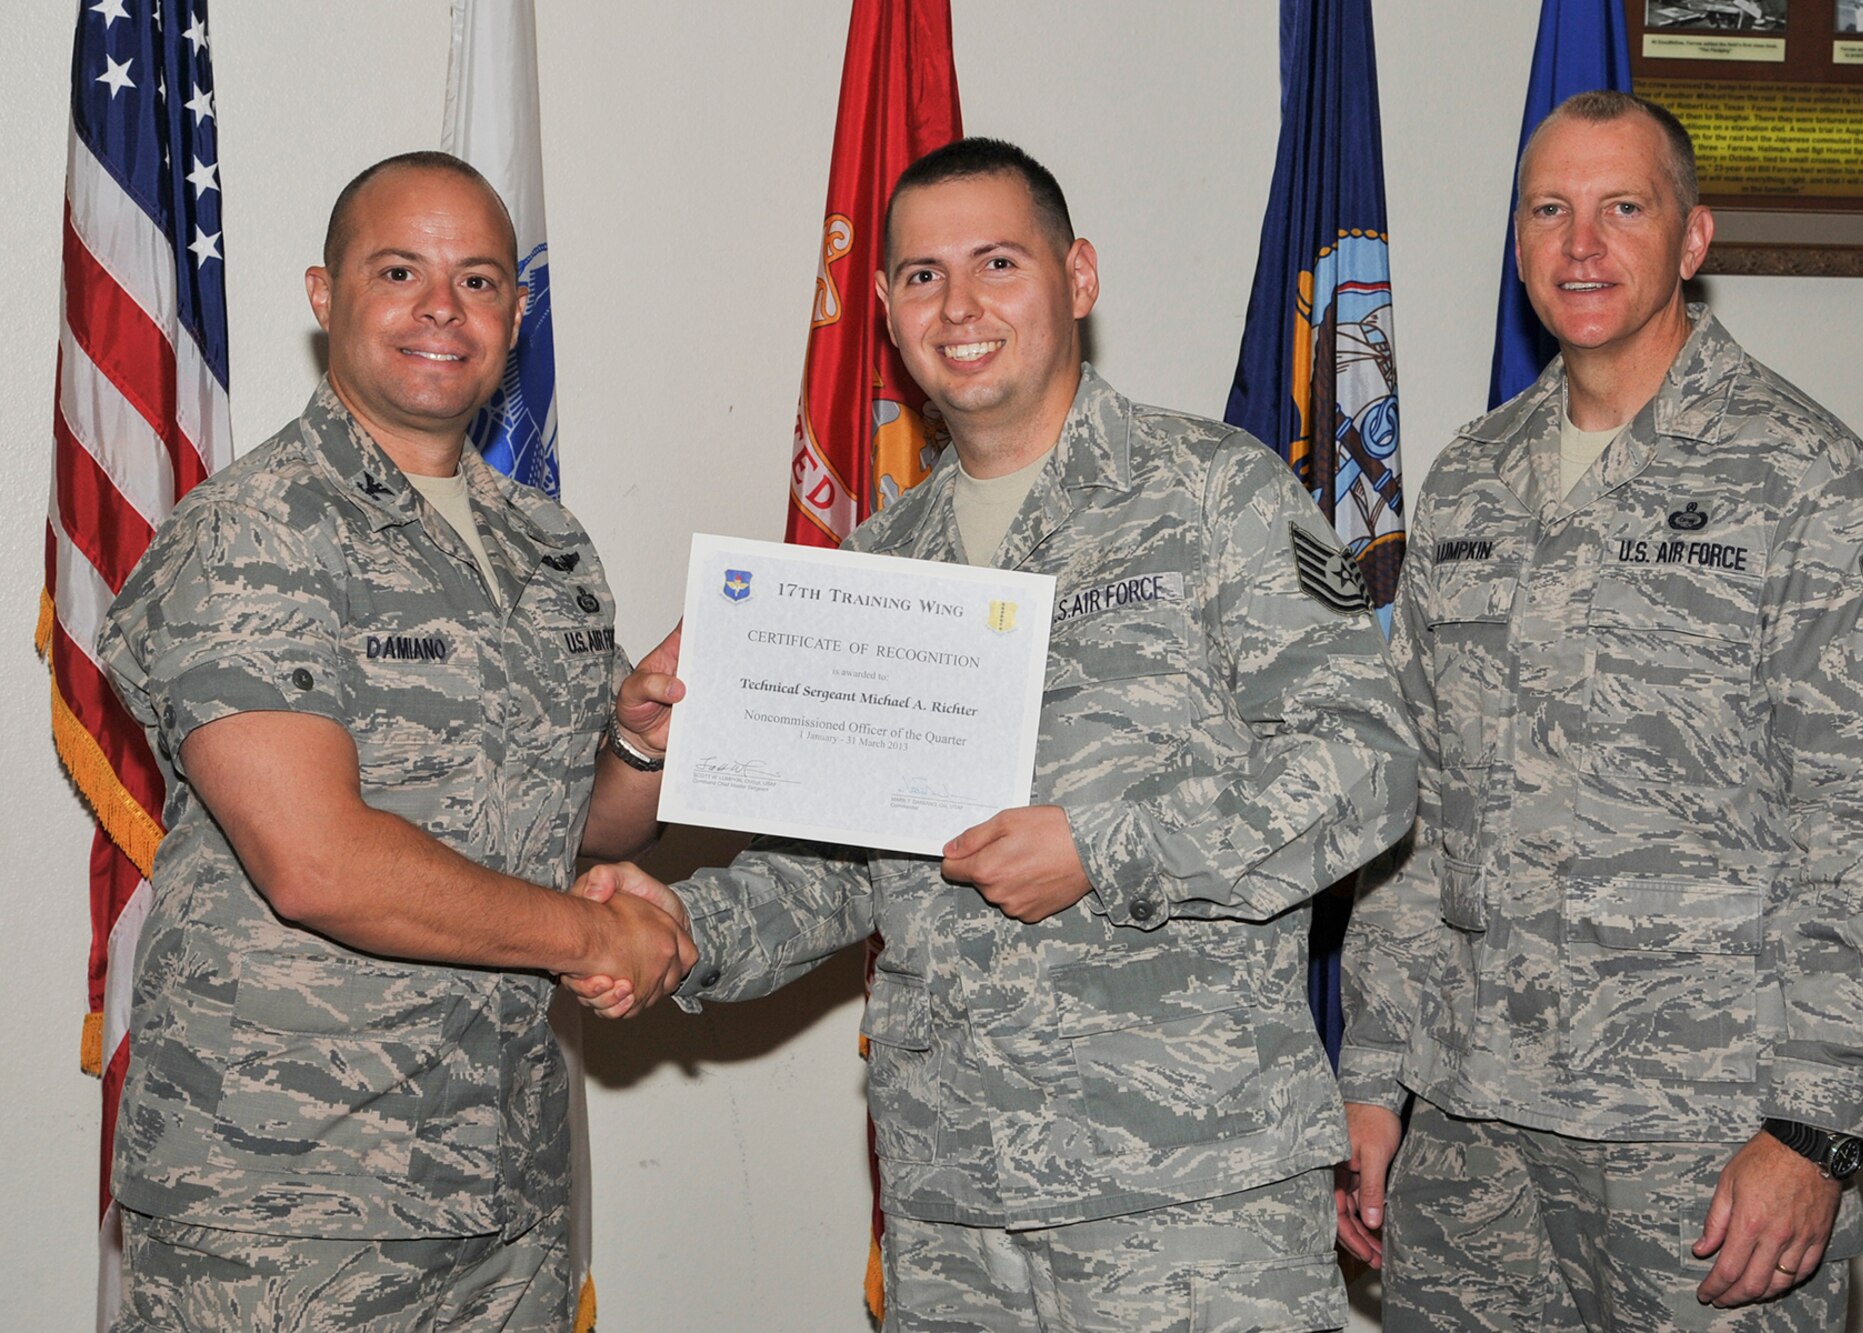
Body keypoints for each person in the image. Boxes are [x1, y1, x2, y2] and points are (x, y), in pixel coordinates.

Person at [575, 138, 1418, 1332]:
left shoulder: (1210, 494)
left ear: (1076, 278)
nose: (958, 307)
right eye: (921, 276)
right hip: (954, 1195)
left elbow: (1366, 765)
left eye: (996, 263)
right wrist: (677, 928)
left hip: (1186, 1188)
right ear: (884, 310)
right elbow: (841, 867)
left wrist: (1102, 846)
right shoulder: (877, 563)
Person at [1336, 92, 1863, 1331]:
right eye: (1548, 209)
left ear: (1690, 239)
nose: (1580, 244)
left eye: (1622, 207)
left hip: (1703, 1135)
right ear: (1517, 241)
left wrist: (1812, 1129)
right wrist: (1374, 1076)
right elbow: (1415, 805)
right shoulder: (1468, 478)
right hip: (1471, 1131)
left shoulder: (1802, 477)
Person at [97, 151, 695, 1331]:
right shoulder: (253, 531)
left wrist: (636, 745)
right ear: (325, 297)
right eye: (399, 270)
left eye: (476, 279)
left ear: (514, 316)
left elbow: (573, 824)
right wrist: (596, 935)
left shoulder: (546, 545)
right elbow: (316, 862)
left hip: (499, 1179)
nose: (440, 308)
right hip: (283, 1199)